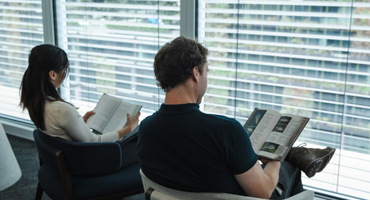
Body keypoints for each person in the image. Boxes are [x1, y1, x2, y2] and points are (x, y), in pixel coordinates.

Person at [137, 36, 336, 199]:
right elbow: (263, 192)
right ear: (195, 73)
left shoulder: (146, 128)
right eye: (207, 72)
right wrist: (277, 157)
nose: (207, 78)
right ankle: (292, 154)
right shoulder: (225, 130)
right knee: (289, 167)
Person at [20, 44, 140, 168]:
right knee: (141, 148)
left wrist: (80, 121)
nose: (65, 74)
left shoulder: (34, 99)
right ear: (52, 74)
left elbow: (55, 128)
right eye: (64, 70)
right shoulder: (61, 110)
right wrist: (127, 130)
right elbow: (93, 141)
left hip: (66, 159)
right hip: (82, 164)